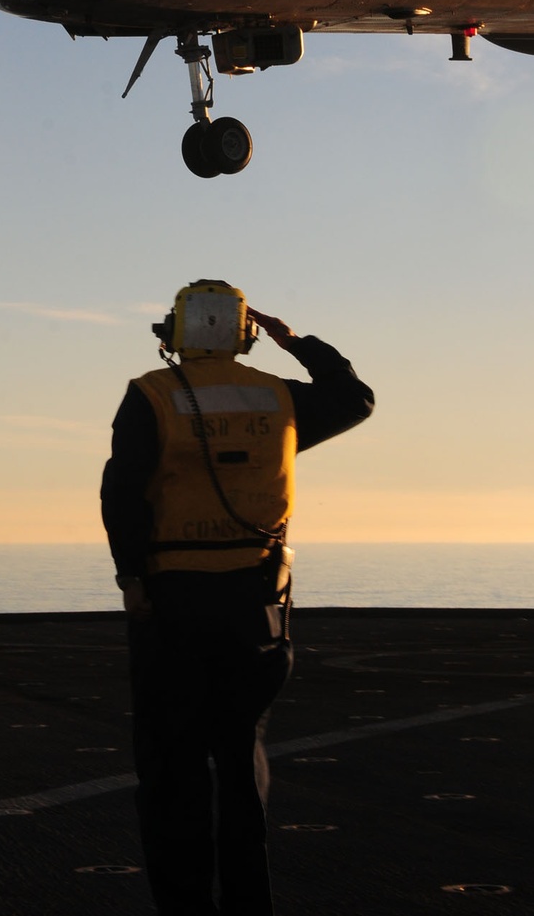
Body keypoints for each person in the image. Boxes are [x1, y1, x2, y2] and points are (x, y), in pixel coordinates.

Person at [101, 279, 374, 916]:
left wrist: (131, 579)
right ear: (247, 331)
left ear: (174, 332)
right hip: (256, 610)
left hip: (172, 606)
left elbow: (123, 494)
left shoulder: (152, 394)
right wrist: (298, 342)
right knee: (240, 760)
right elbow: (355, 400)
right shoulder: (276, 397)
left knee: (173, 772)